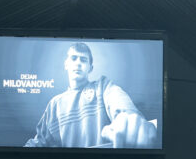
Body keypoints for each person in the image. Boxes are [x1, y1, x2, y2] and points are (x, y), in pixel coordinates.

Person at [24, 42, 159, 149]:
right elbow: (39, 142)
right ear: (66, 64)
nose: (78, 63)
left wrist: (129, 119)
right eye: (73, 58)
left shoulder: (103, 87)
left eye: (83, 60)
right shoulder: (54, 104)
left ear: (90, 68)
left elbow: (121, 104)